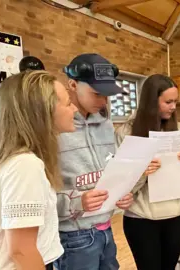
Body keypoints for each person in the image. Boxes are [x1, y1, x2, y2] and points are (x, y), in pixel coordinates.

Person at [54, 54, 133, 270]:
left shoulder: (105, 122)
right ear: (72, 84)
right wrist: (77, 203)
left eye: (107, 95)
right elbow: (41, 195)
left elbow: (110, 168)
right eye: (97, 94)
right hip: (73, 237)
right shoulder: (53, 128)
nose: (103, 101)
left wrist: (121, 192)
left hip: (106, 229)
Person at [0, 71, 77, 269]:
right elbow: (21, 250)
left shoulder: (13, 160)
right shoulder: (25, 165)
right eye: (67, 104)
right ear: (43, 113)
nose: (74, 108)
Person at [115, 74, 180, 270]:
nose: (173, 107)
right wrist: (143, 172)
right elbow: (122, 186)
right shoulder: (126, 134)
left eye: (175, 101)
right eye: (168, 102)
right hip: (142, 219)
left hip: (177, 215)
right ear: (152, 102)